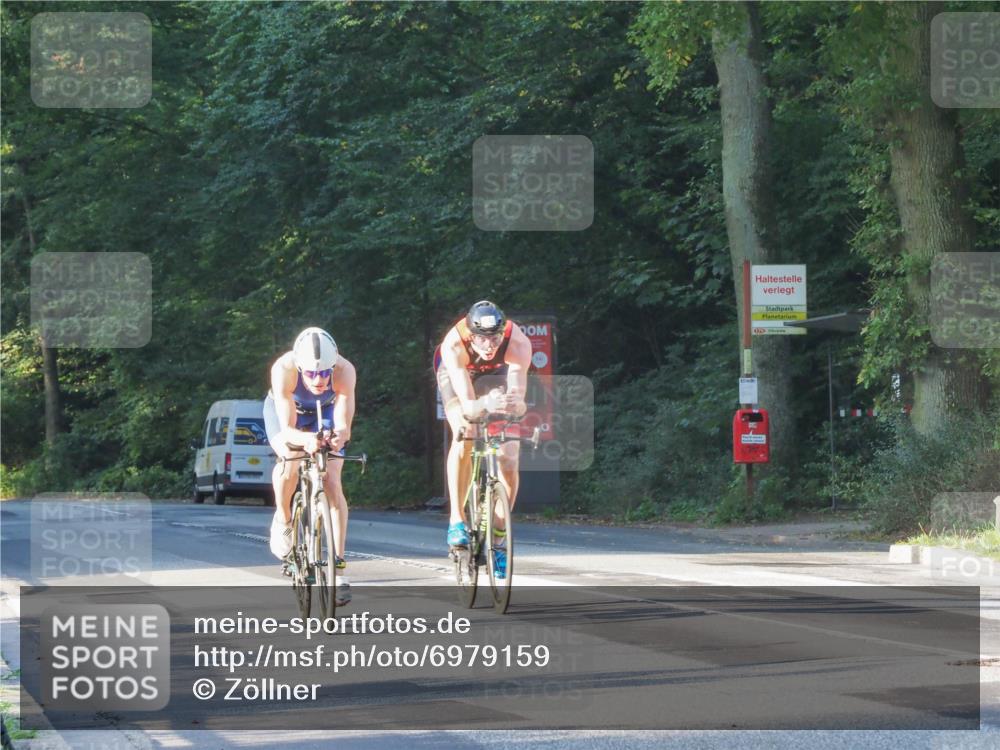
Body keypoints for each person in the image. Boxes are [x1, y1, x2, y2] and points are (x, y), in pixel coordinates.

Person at [434, 301, 531, 577]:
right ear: (470, 334)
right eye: (482, 338)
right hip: (460, 377)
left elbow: (520, 403)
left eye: (495, 338)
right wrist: (485, 403)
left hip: (497, 377)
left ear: (503, 333)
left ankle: (499, 537)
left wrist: (515, 404)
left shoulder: (518, 343)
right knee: (465, 431)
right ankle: (457, 519)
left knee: (509, 456)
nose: (489, 345)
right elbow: (468, 406)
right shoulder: (454, 345)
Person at [264, 327, 356, 604]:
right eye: (312, 374)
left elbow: (344, 425)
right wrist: (305, 441)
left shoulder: (345, 371)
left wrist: (338, 435)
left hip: (324, 413)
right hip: (290, 416)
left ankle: (337, 567)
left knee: (332, 481)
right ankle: (284, 518)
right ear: (300, 367)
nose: (319, 379)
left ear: (334, 365)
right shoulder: (284, 370)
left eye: (324, 373)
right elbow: (288, 429)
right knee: (289, 462)